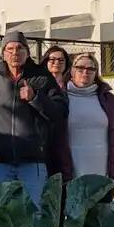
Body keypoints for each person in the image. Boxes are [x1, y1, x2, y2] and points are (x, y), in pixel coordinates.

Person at [0, 31, 67, 206]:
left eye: (19, 48)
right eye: (9, 49)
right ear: (3, 53)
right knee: (3, 215)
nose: (14, 53)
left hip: (34, 161)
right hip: (1, 162)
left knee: (33, 213)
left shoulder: (42, 78)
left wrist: (35, 98)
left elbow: (60, 113)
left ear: (27, 51)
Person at [58, 52, 114, 188]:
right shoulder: (60, 98)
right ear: (72, 71)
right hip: (71, 171)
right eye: (80, 68)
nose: (85, 72)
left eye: (91, 69)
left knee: (101, 208)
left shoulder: (109, 100)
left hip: (103, 170)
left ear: (96, 73)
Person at [41, 45, 72, 179]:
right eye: (52, 59)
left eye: (61, 60)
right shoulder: (38, 85)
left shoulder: (71, 86)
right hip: (43, 141)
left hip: (66, 138)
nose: (56, 63)